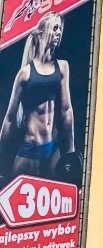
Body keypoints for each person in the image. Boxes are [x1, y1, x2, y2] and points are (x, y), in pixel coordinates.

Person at [0, 11, 78, 184]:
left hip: (53, 149)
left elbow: (66, 110)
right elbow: (10, 120)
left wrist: (70, 152)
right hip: (29, 151)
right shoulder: (25, 74)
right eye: (55, 28)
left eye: (60, 29)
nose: (59, 32)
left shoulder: (62, 67)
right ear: (42, 31)